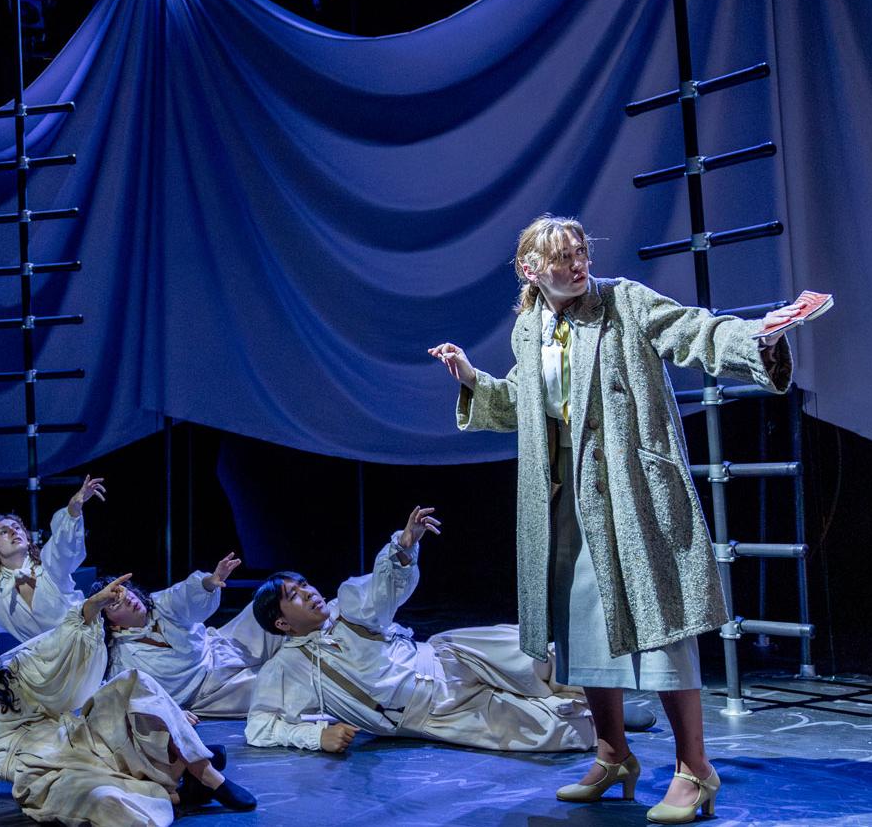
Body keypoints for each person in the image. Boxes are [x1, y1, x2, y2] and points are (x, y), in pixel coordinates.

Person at [429, 214, 821, 823]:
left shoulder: (622, 302)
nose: (576, 263)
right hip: (560, 494)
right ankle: (614, 756)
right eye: (561, 257)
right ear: (531, 270)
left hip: (630, 489)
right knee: (580, 627)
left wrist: (757, 337)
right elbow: (524, 404)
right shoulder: (529, 328)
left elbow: (691, 331)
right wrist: (472, 381)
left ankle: (696, 768)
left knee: (661, 623)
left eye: (580, 251)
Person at [0, 575, 257, 825]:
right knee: (104, 803)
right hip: (44, 773)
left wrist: (90, 609)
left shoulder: (6, 672)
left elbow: (52, 646)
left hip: (81, 737)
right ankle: (176, 780)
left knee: (133, 682)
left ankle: (204, 774)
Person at [245, 506, 596, 756]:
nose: (308, 592)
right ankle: (604, 719)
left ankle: (599, 694)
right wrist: (316, 736)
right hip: (431, 712)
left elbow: (382, 594)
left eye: (304, 584)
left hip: (446, 657)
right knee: (550, 732)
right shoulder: (286, 668)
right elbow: (259, 726)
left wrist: (402, 547)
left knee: (533, 654)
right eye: (294, 595)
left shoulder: (347, 606)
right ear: (281, 623)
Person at [93, 552, 282, 718]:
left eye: (124, 592)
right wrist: (170, 713)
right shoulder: (122, 661)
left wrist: (208, 583)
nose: (128, 599)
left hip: (223, 647)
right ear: (112, 625)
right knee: (277, 685)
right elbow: (135, 699)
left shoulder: (160, 604)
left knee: (273, 605)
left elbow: (183, 594)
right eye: (115, 603)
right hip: (213, 692)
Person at [0, 475, 103, 652]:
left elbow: (64, 544)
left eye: (17, 528)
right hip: (44, 664)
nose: (13, 531)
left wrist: (73, 510)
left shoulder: (48, 564)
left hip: (84, 648)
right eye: (4, 531)